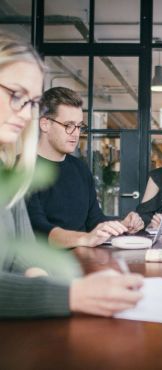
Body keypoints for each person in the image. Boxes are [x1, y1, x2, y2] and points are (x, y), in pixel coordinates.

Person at [0, 33, 143, 318]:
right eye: (17, 96)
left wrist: (55, 285)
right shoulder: (20, 171)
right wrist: (69, 294)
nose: (26, 114)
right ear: (45, 124)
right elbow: (41, 235)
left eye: (31, 102)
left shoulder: (6, 174)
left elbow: (22, 255)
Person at [26, 87, 144, 248]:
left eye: (79, 126)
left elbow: (94, 220)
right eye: (68, 125)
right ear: (45, 124)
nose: (75, 133)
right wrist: (84, 239)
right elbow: (38, 230)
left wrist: (121, 226)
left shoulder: (80, 168)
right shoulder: (23, 169)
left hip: (86, 258)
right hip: (47, 264)